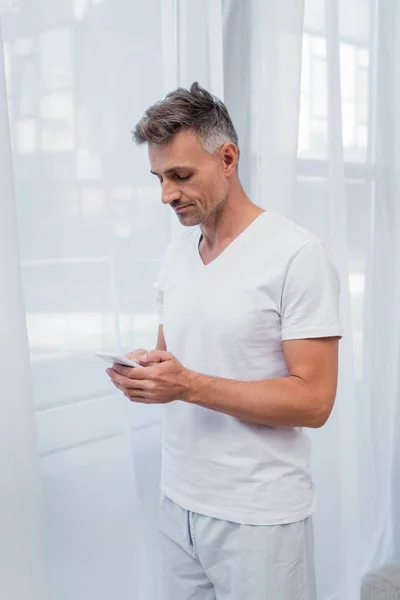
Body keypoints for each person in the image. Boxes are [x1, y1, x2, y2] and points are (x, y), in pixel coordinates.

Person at [107, 82, 341, 600]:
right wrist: (146, 374)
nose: (166, 194)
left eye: (180, 175)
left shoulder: (297, 256)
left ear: (228, 158)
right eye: (159, 177)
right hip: (179, 501)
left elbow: (315, 401)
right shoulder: (176, 253)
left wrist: (187, 385)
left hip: (260, 518)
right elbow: (177, 361)